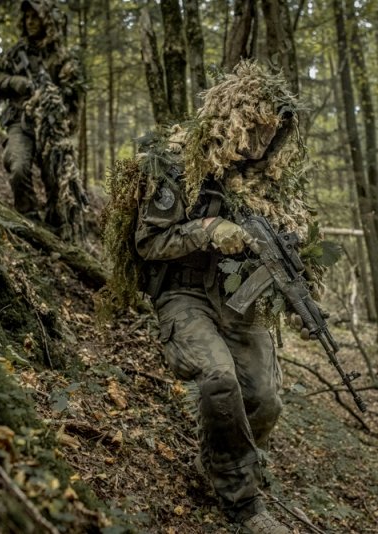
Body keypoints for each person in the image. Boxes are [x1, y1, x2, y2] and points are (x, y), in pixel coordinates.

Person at [134, 62, 310, 534]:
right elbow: (148, 243)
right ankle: (242, 501)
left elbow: (293, 231)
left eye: (270, 133)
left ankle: (221, 457)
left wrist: (292, 239)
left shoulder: (270, 178)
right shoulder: (178, 163)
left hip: (240, 297)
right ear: (233, 116)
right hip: (183, 292)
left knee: (265, 398)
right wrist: (209, 230)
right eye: (253, 128)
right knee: (218, 378)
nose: (258, 142)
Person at [0, 0, 87, 241]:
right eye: (27, 17)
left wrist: (56, 110)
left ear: (47, 21)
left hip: (52, 127)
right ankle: (28, 218)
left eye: (36, 17)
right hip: (20, 121)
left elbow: (73, 97)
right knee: (19, 166)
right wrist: (14, 83)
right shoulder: (15, 53)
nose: (31, 22)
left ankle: (57, 227)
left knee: (57, 180)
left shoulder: (62, 59)